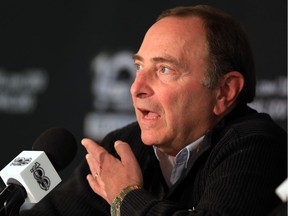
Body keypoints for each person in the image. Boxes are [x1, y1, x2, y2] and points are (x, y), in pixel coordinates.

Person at [21, 5, 287, 216]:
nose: (136, 88)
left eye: (164, 70)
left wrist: (126, 196)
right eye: (138, 67)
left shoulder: (255, 145)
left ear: (224, 91)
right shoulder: (124, 146)